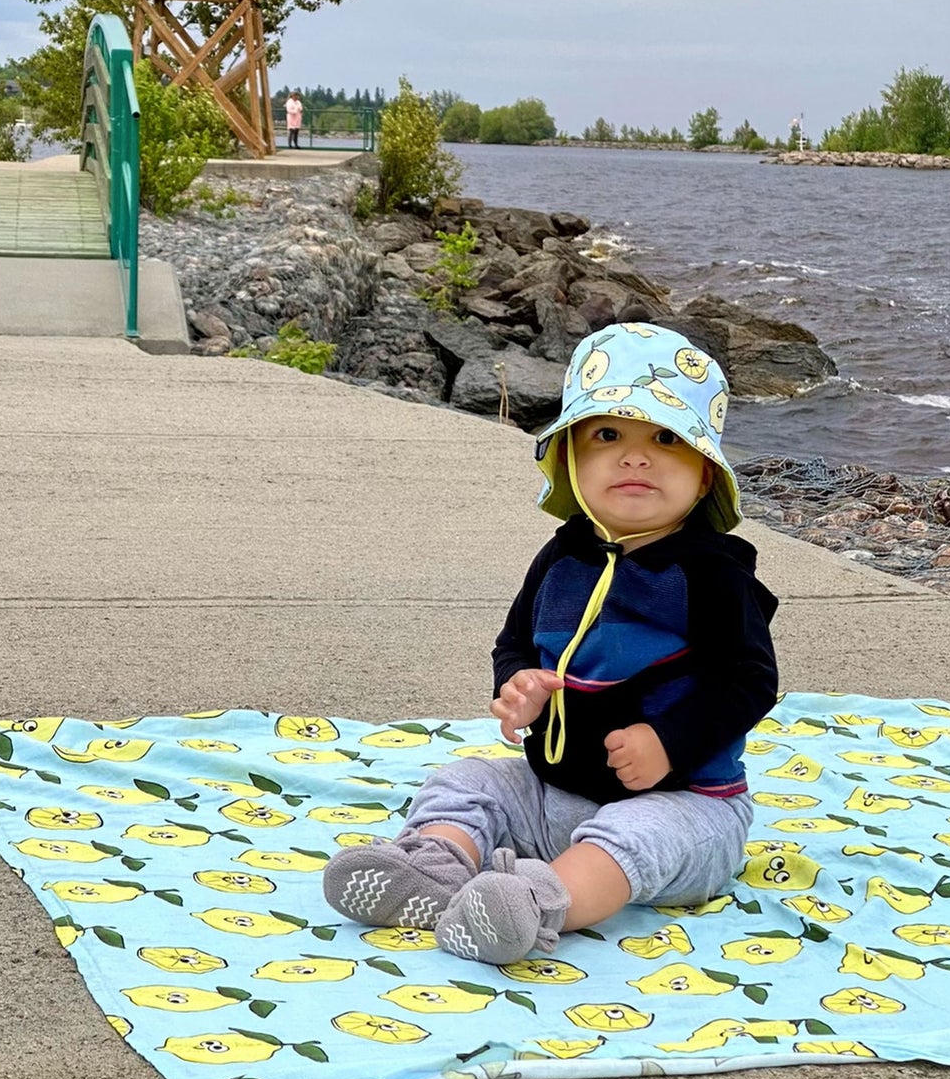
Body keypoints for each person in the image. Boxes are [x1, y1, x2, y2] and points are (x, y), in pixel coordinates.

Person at [321, 322, 779, 963]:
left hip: (685, 806)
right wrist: (517, 685)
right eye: (607, 436)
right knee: (468, 779)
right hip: (551, 795)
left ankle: (530, 905)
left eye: (667, 439)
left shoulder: (712, 573)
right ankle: (435, 869)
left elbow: (750, 679)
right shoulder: (562, 557)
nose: (635, 457)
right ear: (568, 460)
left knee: (632, 836)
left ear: (705, 476)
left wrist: (670, 740)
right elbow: (514, 642)